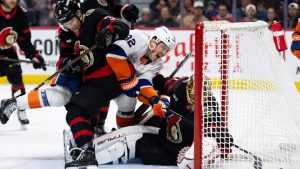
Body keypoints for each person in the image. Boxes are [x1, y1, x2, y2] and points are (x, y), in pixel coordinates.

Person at [0, 0, 139, 133]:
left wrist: (124, 10)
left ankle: (105, 128)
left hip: (102, 58)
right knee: (60, 96)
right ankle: (15, 103)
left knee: (120, 96)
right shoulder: (69, 23)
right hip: (83, 62)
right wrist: (66, 63)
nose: (71, 25)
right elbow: (64, 54)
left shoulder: (97, 11)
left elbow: (113, 13)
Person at [88, 74, 234, 168]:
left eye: (200, 95)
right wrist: (155, 95)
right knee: (139, 126)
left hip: (178, 148)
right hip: (166, 129)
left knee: (137, 144)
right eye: (193, 93)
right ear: (188, 87)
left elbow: (215, 128)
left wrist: (222, 140)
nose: (195, 98)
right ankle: (89, 144)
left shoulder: (209, 105)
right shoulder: (180, 87)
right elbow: (162, 82)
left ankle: (91, 158)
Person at [54, 0, 130, 168]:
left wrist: (110, 33)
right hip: (92, 82)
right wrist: (68, 64)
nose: (70, 25)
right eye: (65, 23)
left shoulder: (94, 15)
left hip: (109, 78)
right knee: (74, 111)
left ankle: (87, 152)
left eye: (72, 20)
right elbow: (64, 57)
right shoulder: (67, 32)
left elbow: (122, 26)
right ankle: (88, 148)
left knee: (76, 111)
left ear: (79, 13)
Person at [105, 26, 176, 128]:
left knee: (128, 102)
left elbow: (143, 83)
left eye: (167, 51)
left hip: (123, 86)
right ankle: (97, 125)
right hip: (105, 75)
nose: (164, 53)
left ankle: (123, 132)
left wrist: (155, 100)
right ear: (154, 40)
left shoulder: (157, 64)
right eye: (163, 47)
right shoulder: (137, 37)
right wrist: (127, 79)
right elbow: (114, 52)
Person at [0, 0, 46, 127]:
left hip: (8, 52)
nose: (13, 0)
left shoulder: (20, 14)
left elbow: (24, 40)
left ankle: (21, 108)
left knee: (17, 78)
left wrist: (33, 56)